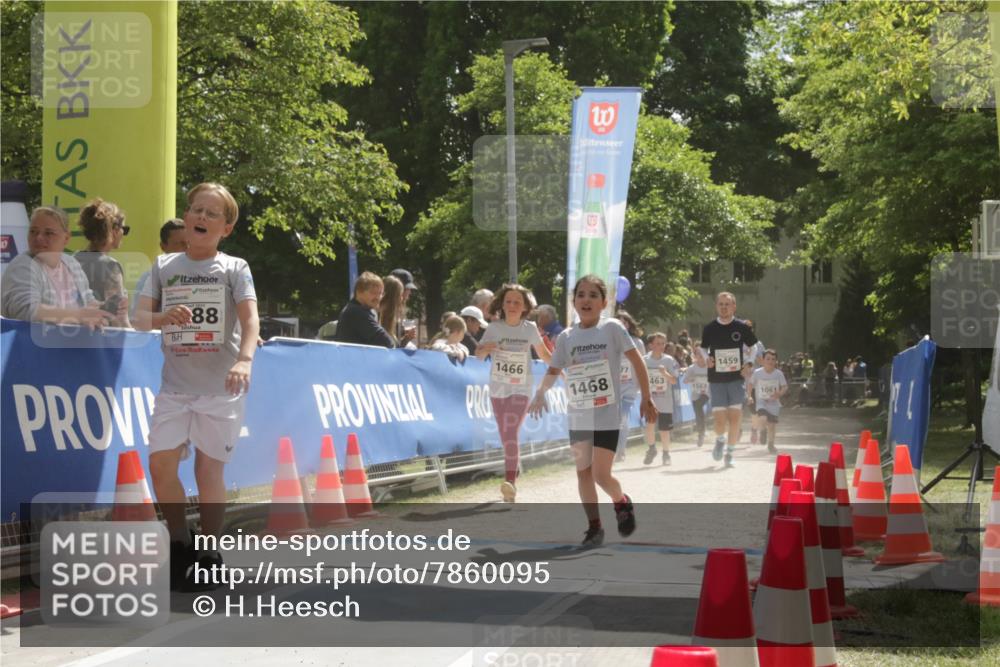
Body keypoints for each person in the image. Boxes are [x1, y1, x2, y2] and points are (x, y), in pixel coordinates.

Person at [134, 182, 259, 592]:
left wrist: (244, 359)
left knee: (208, 471)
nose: (201, 217)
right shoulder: (163, 266)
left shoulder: (235, 268)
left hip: (220, 389)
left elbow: (251, 320)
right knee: (160, 464)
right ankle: (178, 541)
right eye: (196, 210)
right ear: (186, 218)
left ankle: (209, 551)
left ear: (226, 228)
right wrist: (163, 318)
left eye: (212, 213)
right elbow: (138, 319)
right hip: (175, 388)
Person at [528, 275, 657, 547]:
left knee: (601, 475)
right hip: (579, 415)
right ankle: (594, 527)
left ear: (604, 302)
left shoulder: (612, 328)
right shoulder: (566, 336)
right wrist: (540, 393)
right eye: (581, 295)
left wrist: (647, 398)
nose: (586, 300)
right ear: (573, 301)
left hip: (607, 414)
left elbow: (637, 362)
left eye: (593, 295)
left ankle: (621, 502)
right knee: (583, 472)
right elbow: (554, 369)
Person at [476, 284, 552, 502]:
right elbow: (479, 355)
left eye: (517, 302)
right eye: (508, 301)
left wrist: (562, 369)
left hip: (521, 388)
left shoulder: (529, 329)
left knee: (510, 432)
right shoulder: (494, 328)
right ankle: (513, 468)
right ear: (502, 304)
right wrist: (487, 348)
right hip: (498, 389)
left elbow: (544, 354)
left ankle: (510, 483)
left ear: (525, 307)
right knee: (505, 435)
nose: (512, 305)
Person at [1, 206, 119, 328]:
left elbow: (88, 302)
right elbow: (26, 310)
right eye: (33, 231)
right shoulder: (23, 266)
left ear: (66, 238)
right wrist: (79, 316)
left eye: (48, 233)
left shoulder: (71, 263)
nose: (39, 237)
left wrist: (106, 308)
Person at [695, 291, 757, 468]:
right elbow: (703, 348)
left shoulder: (741, 327)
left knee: (735, 418)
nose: (724, 307)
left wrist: (749, 363)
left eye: (727, 304)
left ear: (733, 306)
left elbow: (753, 347)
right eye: (721, 304)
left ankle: (729, 453)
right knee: (719, 419)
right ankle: (720, 440)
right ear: (716, 306)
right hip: (716, 379)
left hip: (736, 379)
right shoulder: (709, 328)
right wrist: (706, 358)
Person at [74, 198, 132, 327]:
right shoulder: (111, 266)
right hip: (101, 335)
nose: (123, 233)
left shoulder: (71, 261)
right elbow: (119, 318)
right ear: (114, 230)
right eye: (124, 229)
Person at [131, 219, 186, 320]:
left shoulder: (201, 272)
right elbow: (138, 319)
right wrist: (165, 317)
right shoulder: (149, 278)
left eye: (189, 243)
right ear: (163, 246)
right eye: (180, 244)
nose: (186, 248)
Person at [642, 332, 679, 466]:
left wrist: (664, 373)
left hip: (665, 401)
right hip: (650, 400)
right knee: (649, 426)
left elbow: (674, 381)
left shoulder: (669, 360)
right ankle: (652, 449)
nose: (661, 346)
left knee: (664, 430)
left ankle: (666, 454)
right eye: (658, 343)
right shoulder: (644, 360)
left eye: (663, 343)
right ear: (651, 345)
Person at [614, 311, 645, 462]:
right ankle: (611, 449)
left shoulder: (637, 342)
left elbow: (642, 365)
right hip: (612, 387)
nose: (622, 325)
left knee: (623, 416)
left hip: (630, 386)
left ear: (629, 324)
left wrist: (641, 384)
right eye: (618, 322)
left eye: (624, 322)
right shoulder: (609, 341)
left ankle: (620, 450)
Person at [333, 272, 395, 348]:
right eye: (373, 293)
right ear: (359, 292)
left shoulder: (366, 311)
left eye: (380, 293)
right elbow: (387, 343)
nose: (378, 297)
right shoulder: (356, 312)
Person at [747, 349, 788, 454]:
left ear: (776, 361)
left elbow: (784, 386)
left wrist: (779, 393)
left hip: (774, 404)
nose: (770, 361)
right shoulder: (757, 373)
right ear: (763, 360)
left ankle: (771, 444)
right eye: (768, 359)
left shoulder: (778, 374)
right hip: (761, 402)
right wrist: (749, 396)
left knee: (772, 426)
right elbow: (750, 384)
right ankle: (763, 431)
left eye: (773, 359)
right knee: (763, 418)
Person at [683, 346, 711, 447]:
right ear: (695, 356)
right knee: (698, 413)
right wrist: (692, 379)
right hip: (695, 394)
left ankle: (702, 432)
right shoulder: (692, 368)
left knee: (699, 406)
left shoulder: (709, 367)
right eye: (699, 355)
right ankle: (701, 433)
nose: (701, 357)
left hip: (707, 393)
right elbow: (685, 380)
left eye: (703, 355)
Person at [379, 275, 415, 348]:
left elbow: (394, 348)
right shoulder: (375, 318)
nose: (402, 298)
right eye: (401, 294)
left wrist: (406, 339)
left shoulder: (390, 319)